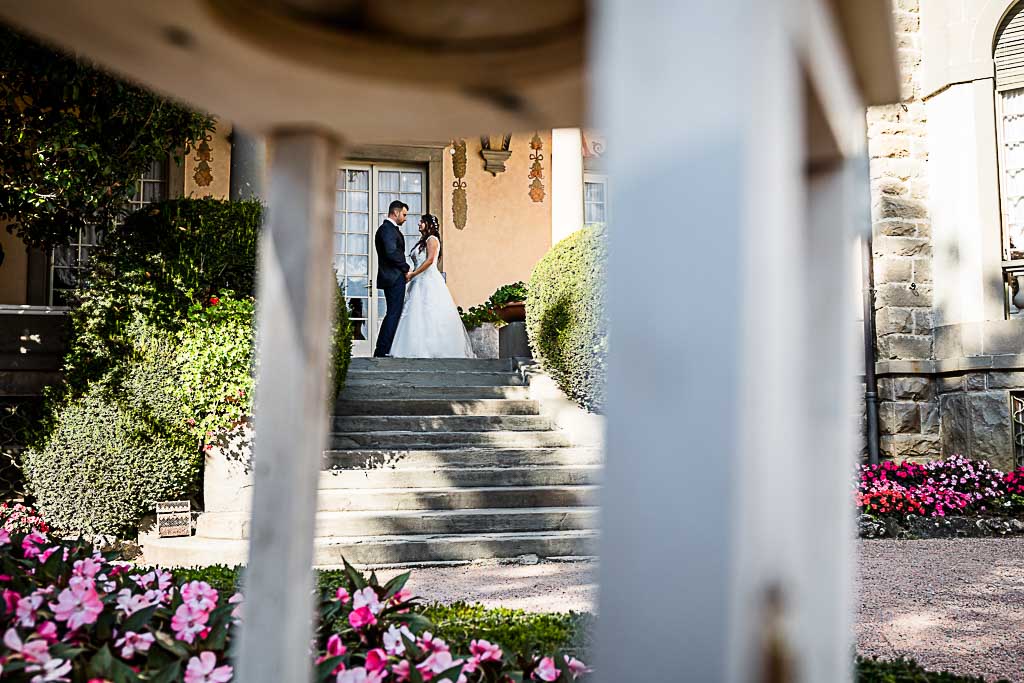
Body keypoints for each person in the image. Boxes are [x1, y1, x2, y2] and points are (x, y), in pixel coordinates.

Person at [390, 213, 475, 359]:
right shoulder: (422, 241)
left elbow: (430, 261)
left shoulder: (432, 239)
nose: (419, 225)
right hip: (418, 281)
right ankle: (416, 346)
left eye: (421, 222)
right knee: (417, 314)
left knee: (430, 312)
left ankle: (434, 348)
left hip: (428, 280)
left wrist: (413, 274)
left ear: (428, 224)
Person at [373, 200, 411, 357]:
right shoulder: (387, 229)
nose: (405, 218)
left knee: (393, 313)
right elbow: (391, 252)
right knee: (393, 314)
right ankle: (382, 350)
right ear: (395, 213)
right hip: (393, 277)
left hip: (392, 276)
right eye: (404, 214)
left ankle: (384, 349)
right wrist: (406, 268)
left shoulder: (388, 229)